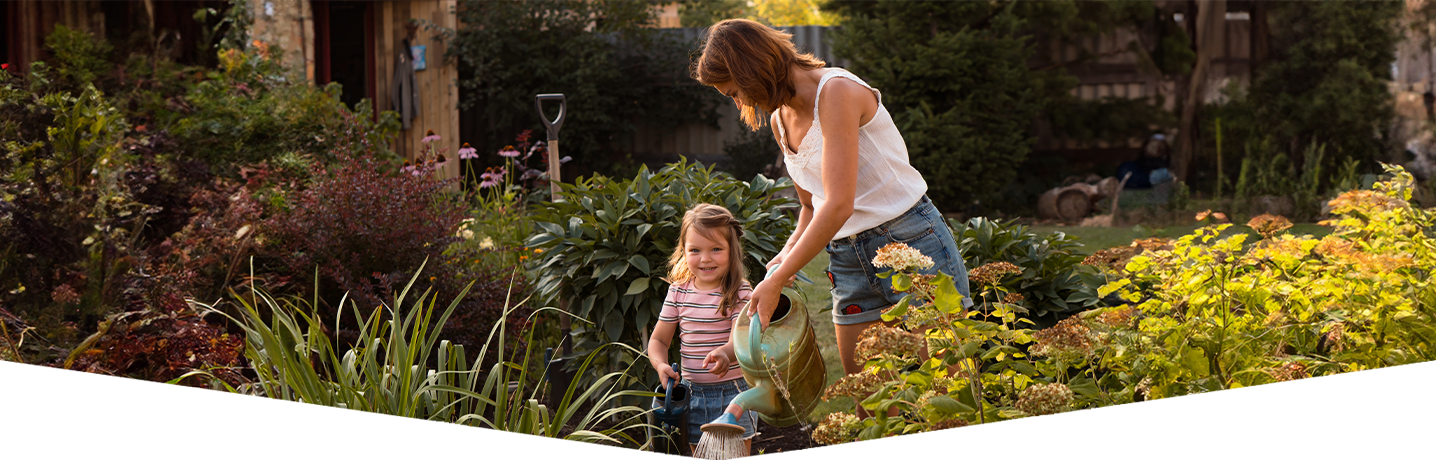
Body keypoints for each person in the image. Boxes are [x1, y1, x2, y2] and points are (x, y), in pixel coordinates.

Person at [691, 18, 974, 419]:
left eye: (735, 92)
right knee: (871, 403)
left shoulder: (837, 91)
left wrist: (779, 277)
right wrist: (785, 257)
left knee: (951, 393)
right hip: (847, 259)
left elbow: (839, 203)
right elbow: (811, 206)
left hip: (911, 241)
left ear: (750, 69)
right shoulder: (780, 120)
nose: (739, 105)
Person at [646, 203, 758, 456]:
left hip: (734, 394)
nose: (705, 258)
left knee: (736, 456)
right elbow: (659, 341)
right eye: (695, 250)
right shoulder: (678, 292)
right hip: (691, 395)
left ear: (732, 250)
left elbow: (740, 340)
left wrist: (726, 353)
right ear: (684, 251)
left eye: (716, 249)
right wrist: (660, 365)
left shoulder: (739, 292)